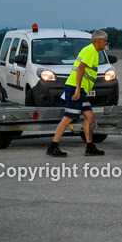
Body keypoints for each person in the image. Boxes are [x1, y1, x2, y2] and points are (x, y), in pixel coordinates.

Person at [46, 29, 109, 157]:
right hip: (76, 88)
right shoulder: (91, 51)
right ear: (100, 40)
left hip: (81, 89)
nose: (106, 44)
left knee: (89, 115)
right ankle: (53, 146)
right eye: (106, 40)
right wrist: (78, 89)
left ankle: (90, 146)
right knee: (68, 117)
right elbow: (80, 68)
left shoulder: (92, 51)